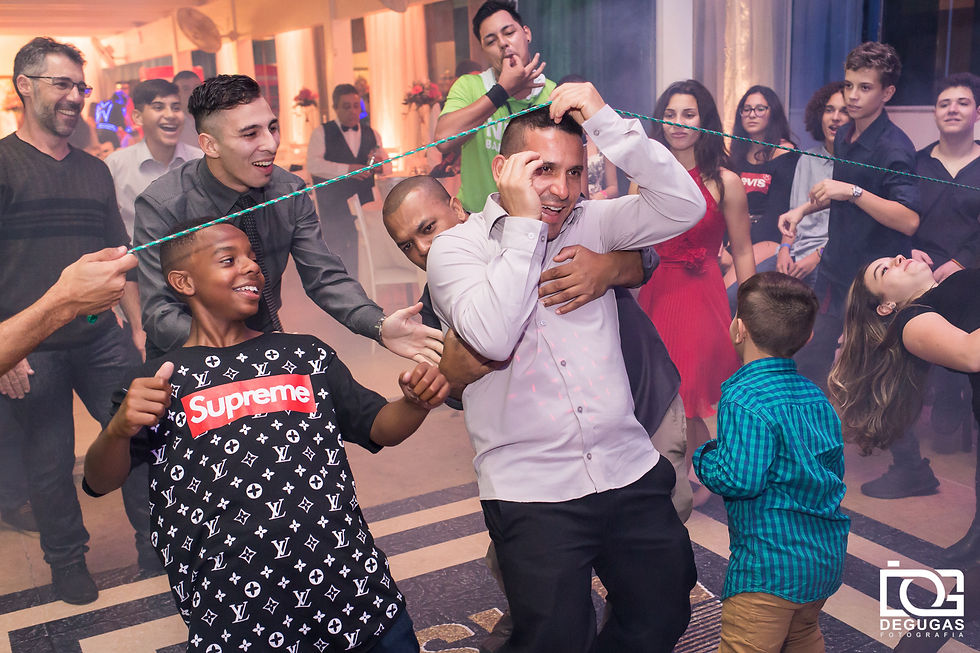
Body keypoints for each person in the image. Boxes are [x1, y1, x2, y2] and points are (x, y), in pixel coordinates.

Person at [83, 220, 447, 653]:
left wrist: (415, 403)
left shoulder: (303, 354)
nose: (251, 267)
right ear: (184, 282)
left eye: (253, 258)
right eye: (228, 260)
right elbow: (99, 480)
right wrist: (120, 428)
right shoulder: (160, 380)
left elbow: (379, 426)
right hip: (238, 615)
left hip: (355, 594)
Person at [427, 82, 703, 652]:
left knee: (663, 611)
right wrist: (526, 228)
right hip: (532, 486)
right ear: (503, 170)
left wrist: (605, 120)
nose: (561, 189)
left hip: (625, 464)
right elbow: (493, 337)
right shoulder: (457, 249)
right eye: (543, 170)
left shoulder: (594, 223)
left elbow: (685, 205)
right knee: (556, 638)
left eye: (575, 172)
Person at [382, 175, 692, 520]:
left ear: (456, 207)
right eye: (407, 245)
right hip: (557, 460)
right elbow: (457, 393)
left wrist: (608, 268)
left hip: (643, 399)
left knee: (664, 523)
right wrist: (447, 376)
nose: (423, 248)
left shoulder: (534, 219)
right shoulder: (437, 301)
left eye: (428, 228)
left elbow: (647, 256)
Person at [134, 74, 441, 364]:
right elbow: (159, 313)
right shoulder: (162, 205)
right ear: (210, 145)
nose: (271, 144)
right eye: (250, 134)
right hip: (188, 355)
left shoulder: (289, 191)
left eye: (272, 128)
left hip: (263, 342)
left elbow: (324, 277)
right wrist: (233, 348)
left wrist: (379, 325)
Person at [0, 37, 150, 604]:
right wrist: (5, 352)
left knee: (138, 435)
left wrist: (136, 328)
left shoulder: (94, 170)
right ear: (25, 85)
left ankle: (154, 545)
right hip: (30, 345)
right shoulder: (2, 164)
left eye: (80, 87)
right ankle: (67, 562)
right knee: (49, 461)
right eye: (61, 84)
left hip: (99, 337)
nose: (74, 97)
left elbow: (120, 255)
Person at [781, 42, 934, 499]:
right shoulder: (847, 133)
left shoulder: (894, 146)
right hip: (838, 269)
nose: (852, 95)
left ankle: (912, 469)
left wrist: (852, 192)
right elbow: (839, 193)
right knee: (812, 361)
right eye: (849, 85)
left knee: (882, 373)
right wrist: (803, 211)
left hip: (876, 280)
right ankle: (808, 452)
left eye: (865, 87)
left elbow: (909, 220)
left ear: (887, 93)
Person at [694, 271, 850, 653]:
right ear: (808, 337)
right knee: (803, 635)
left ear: (739, 329)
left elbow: (740, 479)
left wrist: (704, 456)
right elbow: (833, 471)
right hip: (822, 558)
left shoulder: (743, 396)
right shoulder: (816, 396)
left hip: (769, 566)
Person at [637, 79, 755, 471]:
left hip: (701, 296)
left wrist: (750, 311)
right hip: (654, 293)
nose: (678, 123)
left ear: (705, 122)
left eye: (688, 114)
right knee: (662, 394)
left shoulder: (726, 181)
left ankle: (699, 475)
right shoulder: (645, 177)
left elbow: (742, 250)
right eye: (670, 115)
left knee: (687, 393)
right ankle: (688, 474)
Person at [830, 256, 980, 565]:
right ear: (886, 306)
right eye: (885, 270)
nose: (899, 258)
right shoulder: (911, 319)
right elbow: (971, 354)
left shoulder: (946, 288)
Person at [909, 73, 980, 455]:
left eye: (962, 103)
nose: (952, 109)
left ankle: (952, 390)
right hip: (920, 268)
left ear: (977, 112)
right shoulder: (914, 163)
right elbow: (902, 215)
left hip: (974, 272)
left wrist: (960, 261)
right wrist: (909, 252)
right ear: (935, 113)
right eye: (944, 103)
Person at [434, 0, 552, 213]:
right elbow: (443, 140)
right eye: (491, 41)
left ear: (526, 33)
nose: (503, 43)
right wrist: (502, 91)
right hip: (478, 220)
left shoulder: (552, 93)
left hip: (536, 220)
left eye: (509, 33)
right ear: (484, 51)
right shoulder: (470, 86)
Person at [725, 84, 800, 308]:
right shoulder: (736, 153)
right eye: (747, 109)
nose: (752, 114)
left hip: (769, 237)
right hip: (734, 234)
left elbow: (778, 209)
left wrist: (734, 251)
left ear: (772, 112)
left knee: (727, 295)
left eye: (760, 109)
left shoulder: (786, 153)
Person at [305, 83, 387, 278]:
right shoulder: (321, 132)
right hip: (334, 205)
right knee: (338, 252)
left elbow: (386, 165)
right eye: (346, 106)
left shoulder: (372, 133)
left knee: (365, 252)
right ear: (335, 108)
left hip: (365, 204)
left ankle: (366, 287)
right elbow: (313, 165)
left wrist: (380, 165)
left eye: (356, 106)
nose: (352, 111)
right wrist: (347, 170)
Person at [105, 79, 203, 239]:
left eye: (176, 108)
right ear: (138, 117)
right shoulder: (116, 164)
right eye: (158, 107)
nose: (170, 115)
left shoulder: (200, 161)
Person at [777, 82, 850, 288]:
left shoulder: (858, 164)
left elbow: (851, 232)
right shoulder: (808, 158)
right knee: (748, 293)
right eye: (829, 110)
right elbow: (794, 214)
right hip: (796, 251)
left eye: (844, 111)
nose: (835, 117)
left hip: (832, 256)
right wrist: (783, 249)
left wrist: (817, 257)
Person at [172, 70, 202, 150]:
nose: (192, 93)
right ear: (175, 94)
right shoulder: (173, 124)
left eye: (196, 88)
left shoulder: (211, 118)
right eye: (186, 89)